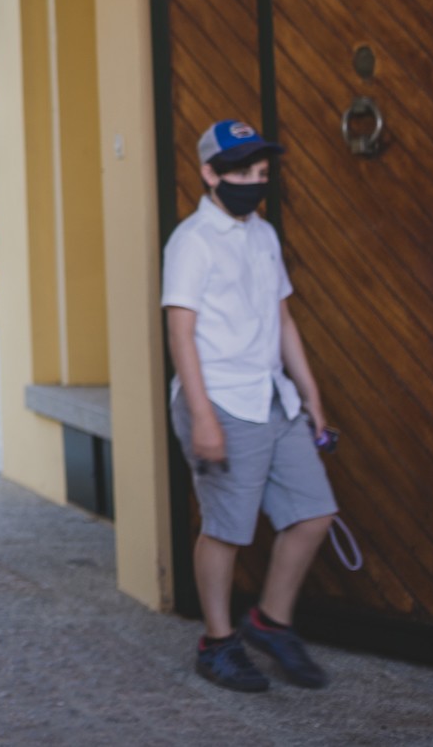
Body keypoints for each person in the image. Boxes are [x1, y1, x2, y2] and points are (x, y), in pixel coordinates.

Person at [164, 119, 339, 694]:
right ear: (210, 173)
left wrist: (310, 394)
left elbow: (283, 319)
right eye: (241, 171)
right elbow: (180, 334)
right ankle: (216, 644)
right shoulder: (192, 241)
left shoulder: (262, 233)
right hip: (219, 400)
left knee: (313, 514)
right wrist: (203, 416)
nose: (253, 181)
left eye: (261, 171)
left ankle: (270, 621)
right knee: (227, 529)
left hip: (272, 397)